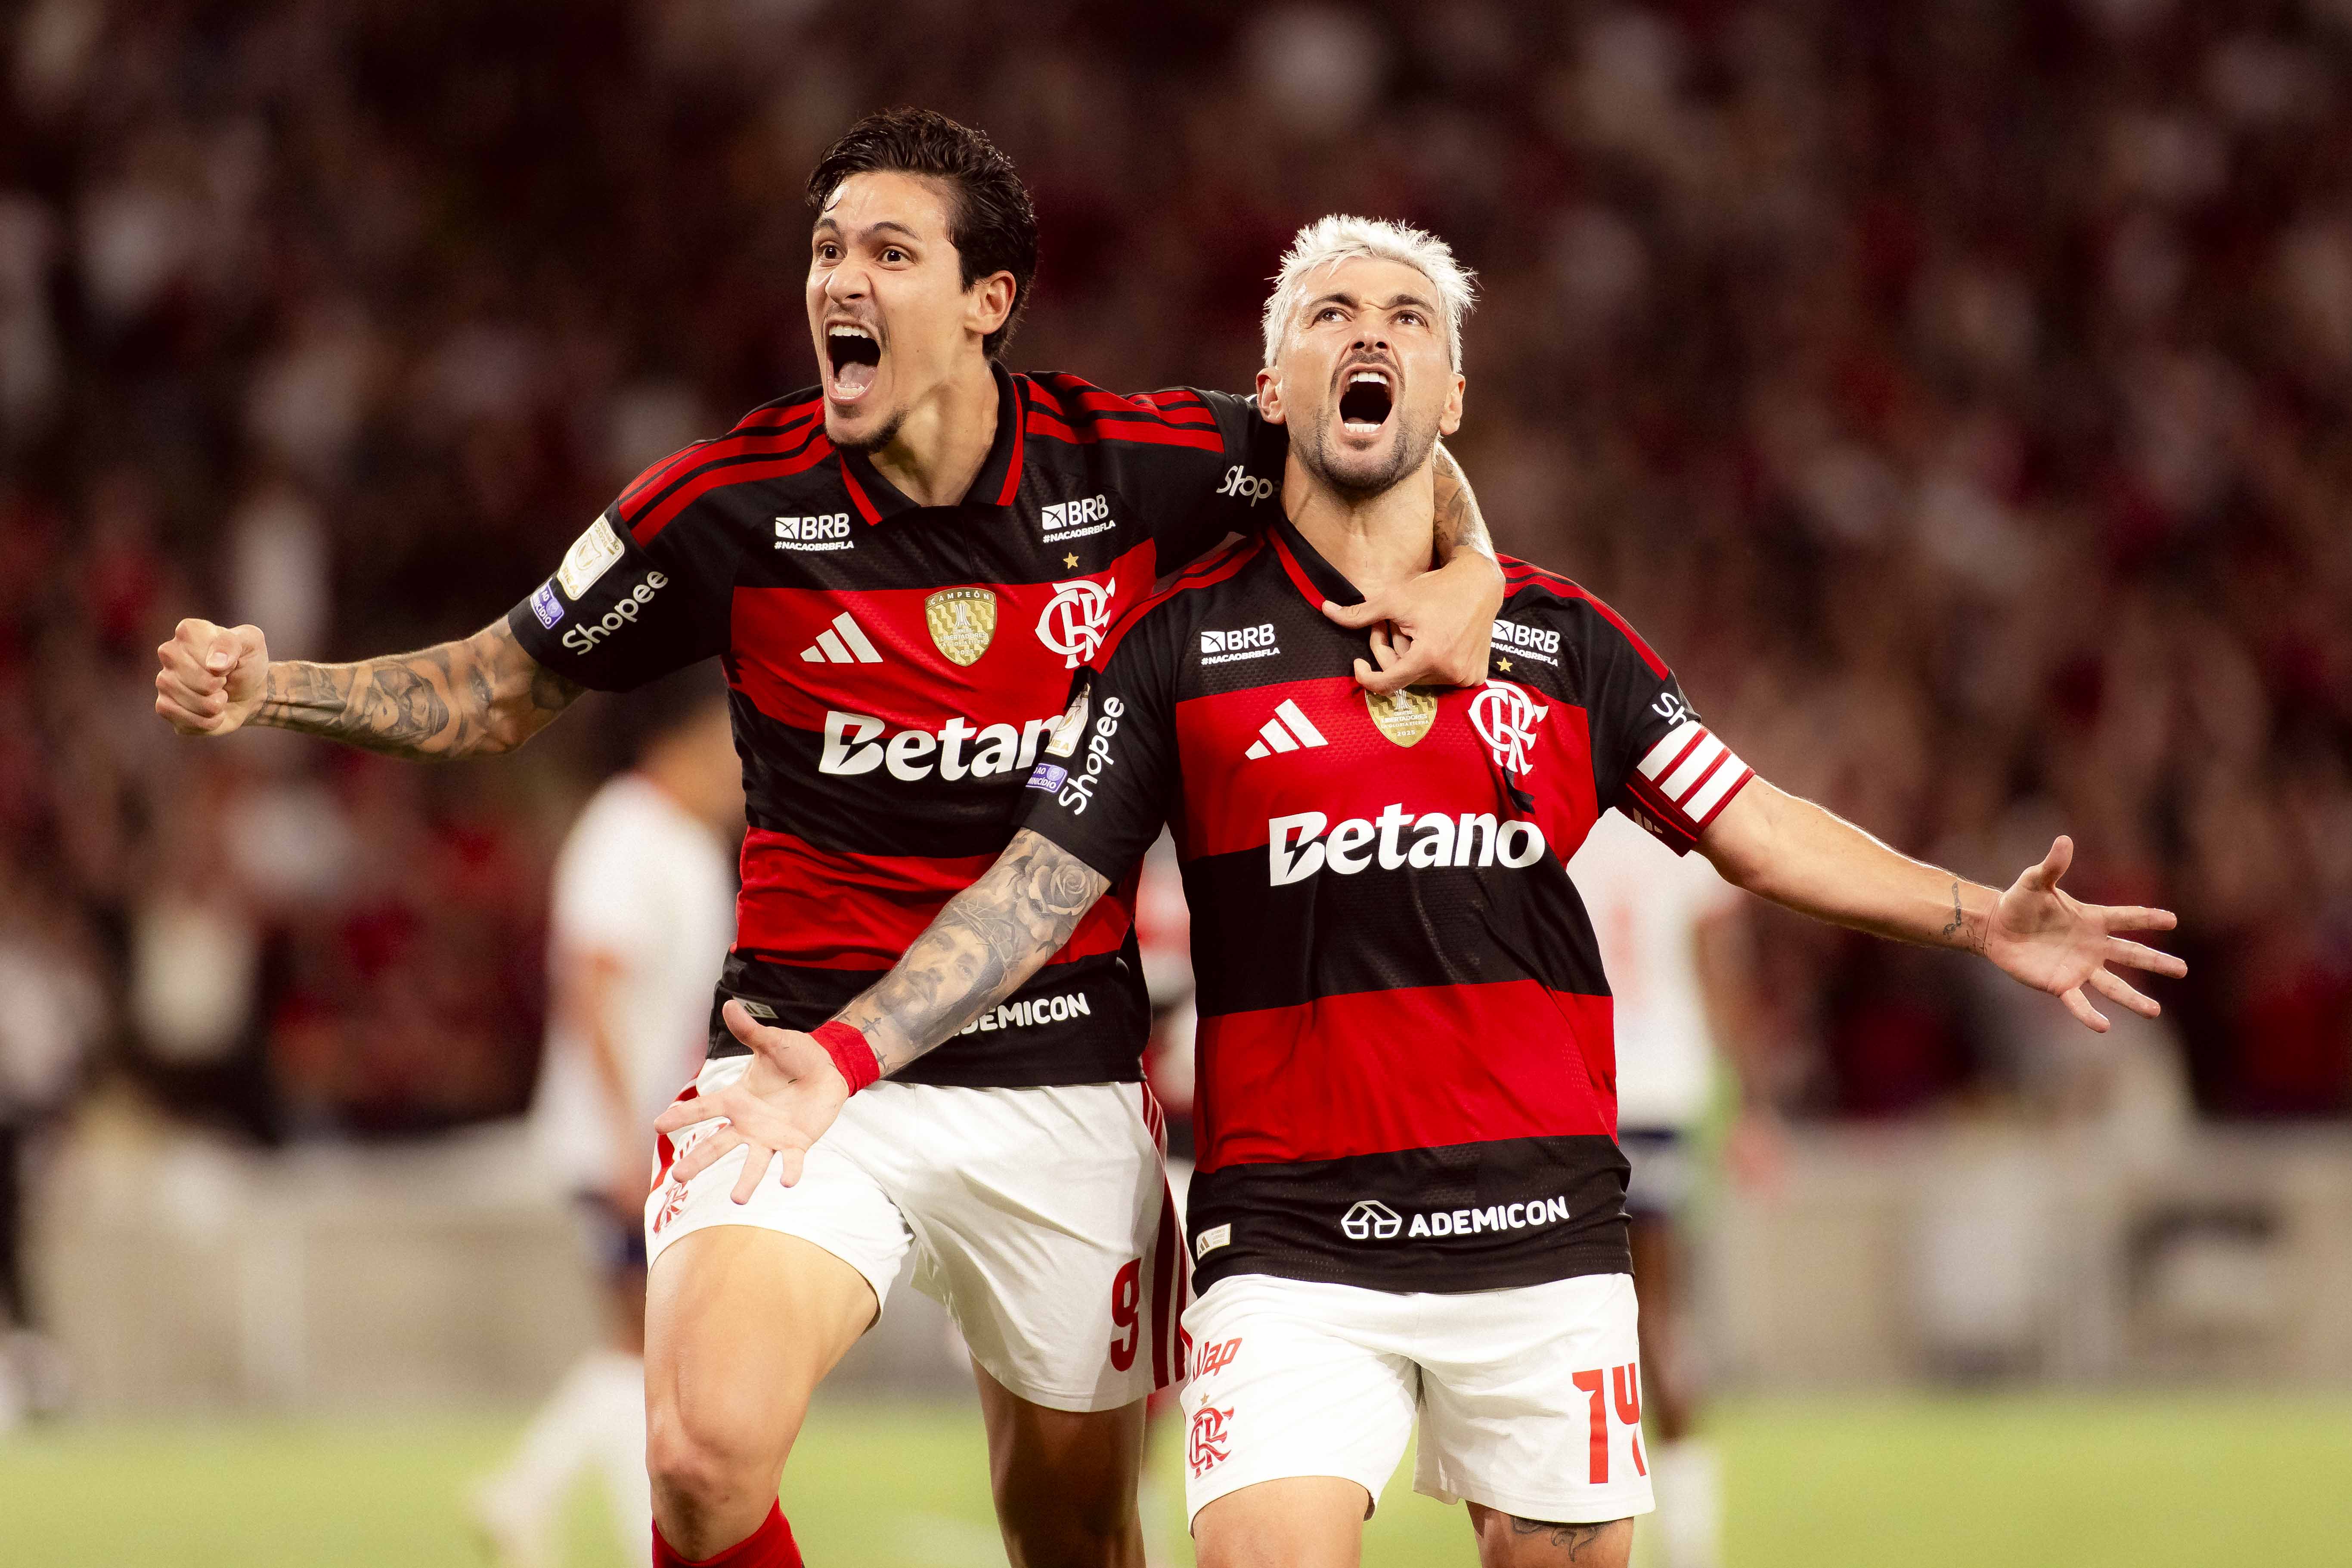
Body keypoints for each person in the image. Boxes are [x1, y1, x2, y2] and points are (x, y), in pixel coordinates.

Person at [658, 214, 2186, 1568]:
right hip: (1288, 1244)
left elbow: (1757, 826)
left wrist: (1977, 915)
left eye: (1408, 319)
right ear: (1273, 391)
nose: (1368, 334)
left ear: (1450, 395)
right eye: (1328, 313)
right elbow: (1036, 888)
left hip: (1541, 1231)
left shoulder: (1564, 642)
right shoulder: (1174, 650)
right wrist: (848, 1056)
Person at [153, 109, 1504, 1568]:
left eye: (891, 252)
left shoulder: (1134, 461)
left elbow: (1381, 447)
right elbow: (493, 687)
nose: (841, 279)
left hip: (1057, 1075)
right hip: (803, 1068)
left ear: (987, 300)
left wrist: (1475, 574)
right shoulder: (723, 505)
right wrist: (274, 690)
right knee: (699, 1461)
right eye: (826, 250)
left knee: (1072, 1536)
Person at [474, 681, 741, 1568]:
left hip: (656, 1134)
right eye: (726, 745)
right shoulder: (625, 831)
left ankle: (529, 1497)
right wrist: (630, 1135)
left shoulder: (691, 846)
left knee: (647, 1346)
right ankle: (599, 1521)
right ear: (679, 740)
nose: (738, 769)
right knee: (653, 1346)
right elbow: (591, 985)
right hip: (615, 1138)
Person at [1567, 810, 1776, 1568]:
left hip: (1577, 1086)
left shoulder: (1559, 823)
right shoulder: (1677, 832)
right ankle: (1689, 1537)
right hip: (1663, 1086)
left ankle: (1585, 1513)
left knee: (1572, 1313)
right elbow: (1721, 967)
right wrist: (1750, 1102)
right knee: (1660, 1307)